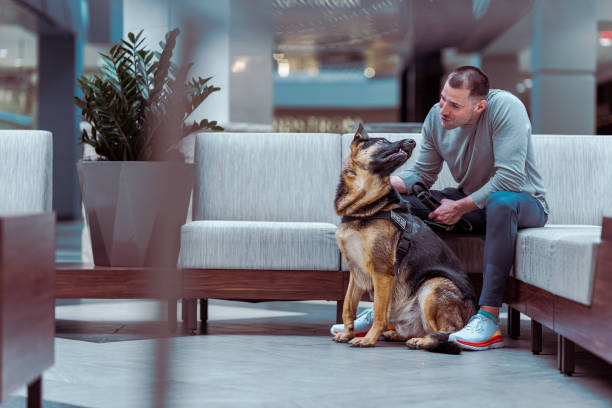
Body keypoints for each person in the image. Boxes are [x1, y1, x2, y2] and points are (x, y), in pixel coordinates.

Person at [330, 66, 549, 351]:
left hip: (522, 202)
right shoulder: (437, 115)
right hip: (470, 200)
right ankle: (393, 308)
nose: (444, 109)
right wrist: (392, 183)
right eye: (443, 98)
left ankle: (487, 319)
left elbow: (510, 178)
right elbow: (423, 172)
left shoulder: (507, 108)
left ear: (479, 106)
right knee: (397, 208)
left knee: (501, 202)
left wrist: (459, 207)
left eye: (455, 105)